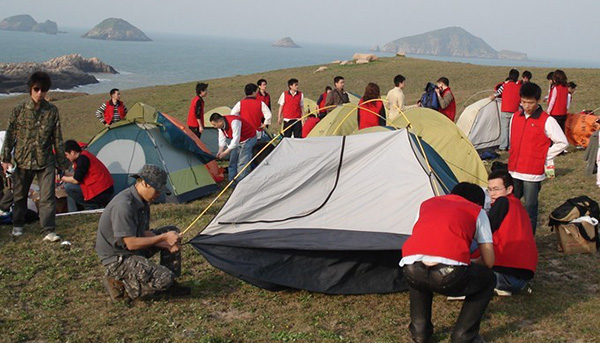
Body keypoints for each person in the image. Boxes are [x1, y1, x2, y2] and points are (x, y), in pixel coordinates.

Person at [400, 182, 495, 343]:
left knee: (419, 277)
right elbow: (489, 261)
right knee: (488, 278)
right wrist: (470, 261)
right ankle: (464, 336)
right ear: (478, 203)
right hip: (448, 272)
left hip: (411, 266)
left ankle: (419, 332)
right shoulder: (476, 211)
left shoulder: (427, 204)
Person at [95, 164, 190, 301]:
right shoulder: (123, 206)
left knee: (172, 232)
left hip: (131, 249)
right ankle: (120, 284)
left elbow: (144, 233)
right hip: (118, 258)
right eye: (157, 191)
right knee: (165, 278)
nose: (158, 195)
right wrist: (163, 237)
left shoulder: (142, 201)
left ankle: (171, 286)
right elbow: (131, 244)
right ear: (144, 183)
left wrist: (167, 243)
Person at [1, 72, 71, 241]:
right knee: (19, 195)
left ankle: (48, 229)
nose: (40, 93)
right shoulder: (19, 109)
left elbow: (57, 138)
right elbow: (10, 134)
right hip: (23, 160)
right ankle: (18, 225)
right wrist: (5, 159)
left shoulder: (52, 111)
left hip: (45, 160)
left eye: (44, 90)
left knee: (47, 196)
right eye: (36, 89)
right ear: (30, 89)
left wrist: (62, 163)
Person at [508, 82, 568, 233]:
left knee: (530, 208)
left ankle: (529, 239)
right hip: (513, 169)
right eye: (523, 102)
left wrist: (545, 155)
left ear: (539, 100)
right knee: (509, 204)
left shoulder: (547, 120)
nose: (527, 106)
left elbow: (562, 142)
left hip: (532, 172)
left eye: (530, 103)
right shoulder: (515, 117)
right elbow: (512, 139)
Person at [486, 170, 538, 296]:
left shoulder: (502, 202)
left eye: (496, 189)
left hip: (505, 275)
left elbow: (485, 230)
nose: (492, 194)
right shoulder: (518, 205)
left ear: (509, 189)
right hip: (522, 276)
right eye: (489, 190)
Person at [61, 140, 114, 212]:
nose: (66, 157)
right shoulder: (84, 155)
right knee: (70, 185)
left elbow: (76, 180)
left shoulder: (82, 159)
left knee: (69, 187)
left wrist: (62, 178)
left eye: (66, 155)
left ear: (72, 152)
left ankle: (91, 206)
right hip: (105, 188)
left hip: (101, 191)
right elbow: (79, 174)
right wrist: (65, 174)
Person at [210, 113, 257, 182]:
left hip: (248, 139)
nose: (214, 127)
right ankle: (232, 181)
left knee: (242, 162)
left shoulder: (234, 122)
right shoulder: (221, 126)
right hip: (238, 142)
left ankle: (241, 182)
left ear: (220, 122)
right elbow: (221, 138)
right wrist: (220, 151)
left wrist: (226, 152)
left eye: (214, 125)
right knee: (232, 161)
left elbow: (236, 139)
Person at [490, 69, 522, 151]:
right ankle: (511, 146)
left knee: (504, 128)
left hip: (505, 110)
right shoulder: (519, 87)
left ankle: (503, 146)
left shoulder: (504, 86)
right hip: (515, 111)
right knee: (513, 130)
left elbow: (495, 94)